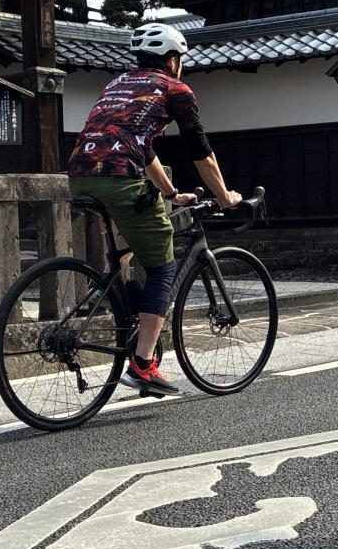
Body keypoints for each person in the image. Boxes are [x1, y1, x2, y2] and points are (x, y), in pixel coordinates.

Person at [66, 21, 241, 396]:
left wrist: (171, 192)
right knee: (163, 267)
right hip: (120, 179)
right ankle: (143, 364)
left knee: (127, 248)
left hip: (80, 176)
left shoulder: (117, 84)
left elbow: (141, 148)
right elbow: (200, 150)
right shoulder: (175, 88)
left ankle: (121, 301)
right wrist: (225, 195)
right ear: (173, 59)